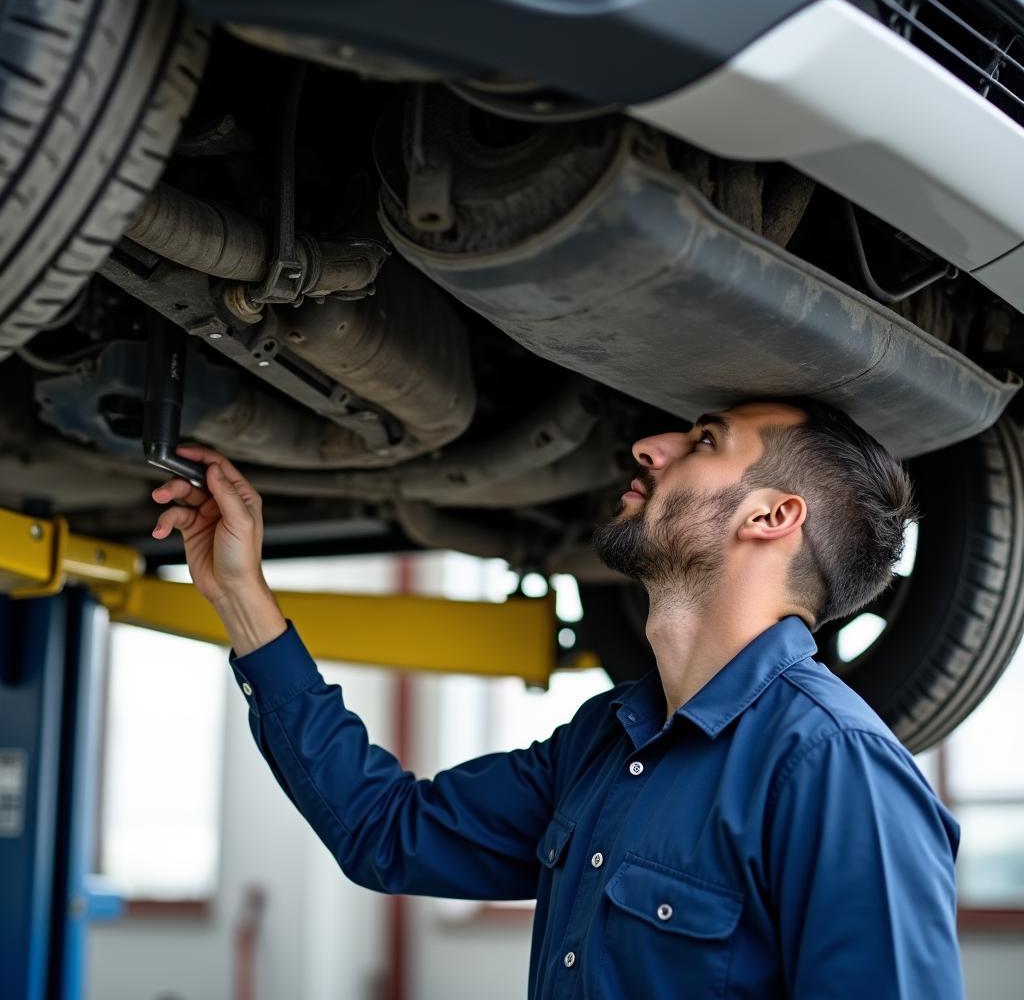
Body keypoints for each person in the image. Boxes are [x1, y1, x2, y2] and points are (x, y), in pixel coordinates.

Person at [150, 397, 965, 999]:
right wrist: (239, 597)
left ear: (772, 515)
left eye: (704, 441)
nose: (649, 446)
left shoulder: (835, 769)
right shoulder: (608, 741)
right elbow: (385, 832)